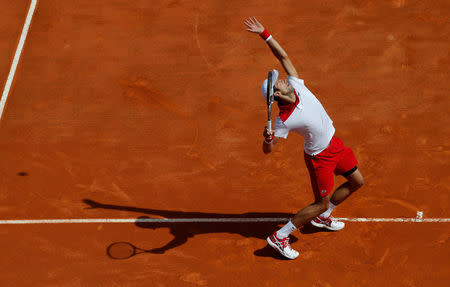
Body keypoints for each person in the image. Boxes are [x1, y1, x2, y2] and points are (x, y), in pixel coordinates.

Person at [244, 17, 364, 260]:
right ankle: (280, 236)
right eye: (276, 82)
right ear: (277, 94)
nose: (280, 78)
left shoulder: (295, 84)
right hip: (320, 158)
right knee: (320, 201)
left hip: (336, 145)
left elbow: (283, 57)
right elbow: (268, 150)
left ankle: (323, 217)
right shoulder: (284, 119)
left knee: (357, 181)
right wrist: (268, 139)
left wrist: (264, 33)